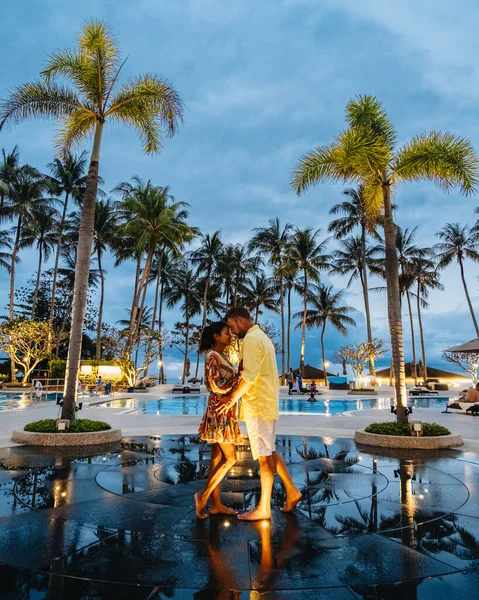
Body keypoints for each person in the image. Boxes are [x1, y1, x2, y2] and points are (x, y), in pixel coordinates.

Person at [221, 307, 302, 521]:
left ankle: (263, 508)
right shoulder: (262, 337)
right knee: (270, 451)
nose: (231, 330)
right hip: (266, 403)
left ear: (240, 320)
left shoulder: (251, 339)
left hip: (257, 405)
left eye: (231, 325)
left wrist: (231, 399)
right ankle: (292, 491)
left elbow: (250, 376)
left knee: (264, 459)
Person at [195, 321, 242, 519]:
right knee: (231, 458)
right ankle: (203, 496)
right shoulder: (212, 356)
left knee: (216, 458)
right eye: (225, 333)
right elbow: (216, 384)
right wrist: (239, 377)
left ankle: (215, 504)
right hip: (220, 410)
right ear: (216, 336)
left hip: (224, 409)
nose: (230, 336)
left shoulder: (222, 356)